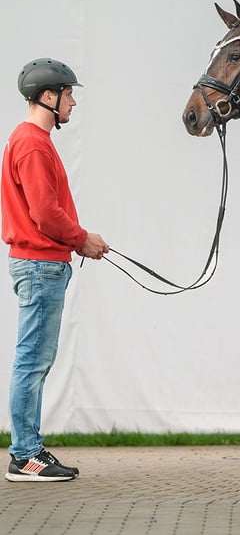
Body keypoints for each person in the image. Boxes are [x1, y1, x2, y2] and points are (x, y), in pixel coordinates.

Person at [2, 58, 109, 482]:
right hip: (40, 264)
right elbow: (45, 214)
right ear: (49, 96)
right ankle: (25, 456)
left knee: (35, 361)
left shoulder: (33, 140)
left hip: (41, 264)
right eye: (69, 94)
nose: (73, 102)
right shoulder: (31, 143)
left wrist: (79, 239)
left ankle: (28, 451)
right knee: (32, 361)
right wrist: (82, 238)